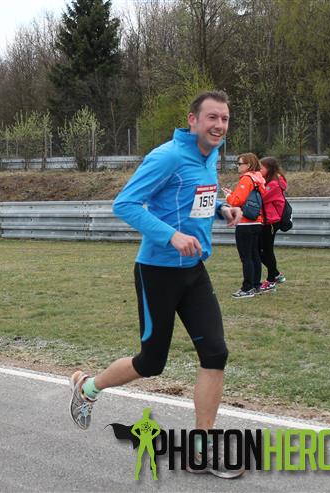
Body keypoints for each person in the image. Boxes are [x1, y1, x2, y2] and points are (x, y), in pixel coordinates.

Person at [68, 90, 244, 479]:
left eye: (225, 119)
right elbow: (125, 204)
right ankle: (88, 387)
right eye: (212, 117)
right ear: (193, 119)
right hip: (158, 272)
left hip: (194, 270)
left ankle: (201, 450)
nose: (219, 125)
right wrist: (171, 236)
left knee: (215, 352)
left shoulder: (210, 155)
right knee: (151, 363)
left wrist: (221, 208)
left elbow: (194, 198)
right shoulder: (168, 156)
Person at [224, 153, 270, 298]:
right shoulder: (259, 179)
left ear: (248, 165)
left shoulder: (246, 179)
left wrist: (228, 196)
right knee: (255, 255)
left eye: (240, 164)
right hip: (257, 222)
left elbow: (236, 201)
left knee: (246, 257)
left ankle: (247, 288)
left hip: (245, 222)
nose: (238, 166)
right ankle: (256, 285)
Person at [259, 157, 287, 289]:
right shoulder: (269, 181)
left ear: (269, 168)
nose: (259, 170)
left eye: (261, 167)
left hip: (270, 221)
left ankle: (271, 279)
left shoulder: (274, 184)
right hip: (266, 220)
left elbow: (261, 197)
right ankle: (275, 274)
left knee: (267, 251)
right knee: (258, 250)